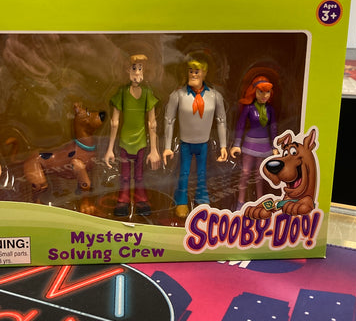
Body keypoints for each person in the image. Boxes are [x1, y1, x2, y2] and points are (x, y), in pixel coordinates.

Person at [163, 59, 227, 218]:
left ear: (204, 73)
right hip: (185, 143)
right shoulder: (178, 95)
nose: (193, 74)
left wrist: (223, 146)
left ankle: (202, 197)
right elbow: (169, 120)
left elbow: (221, 120)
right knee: (184, 173)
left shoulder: (214, 96)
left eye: (196, 71)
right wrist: (167, 147)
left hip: (203, 143)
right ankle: (181, 199)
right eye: (190, 71)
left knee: (202, 172)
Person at [104, 54, 160, 216]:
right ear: (127, 70)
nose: (137, 72)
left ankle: (141, 199)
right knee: (125, 176)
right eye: (134, 68)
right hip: (124, 142)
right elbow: (114, 122)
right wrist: (109, 149)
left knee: (140, 175)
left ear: (144, 71)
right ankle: (123, 200)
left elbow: (152, 123)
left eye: (140, 68)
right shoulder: (122, 92)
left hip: (141, 142)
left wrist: (154, 150)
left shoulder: (147, 93)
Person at [229, 74, 278, 210]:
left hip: (265, 145)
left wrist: (274, 145)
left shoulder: (270, 109)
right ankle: (240, 202)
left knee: (259, 174)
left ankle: (260, 201)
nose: (264, 95)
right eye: (260, 91)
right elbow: (240, 125)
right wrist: (236, 144)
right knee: (245, 172)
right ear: (254, 92)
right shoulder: (249, 108)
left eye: (267, 92)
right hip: (250, 144)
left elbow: (273, 127)